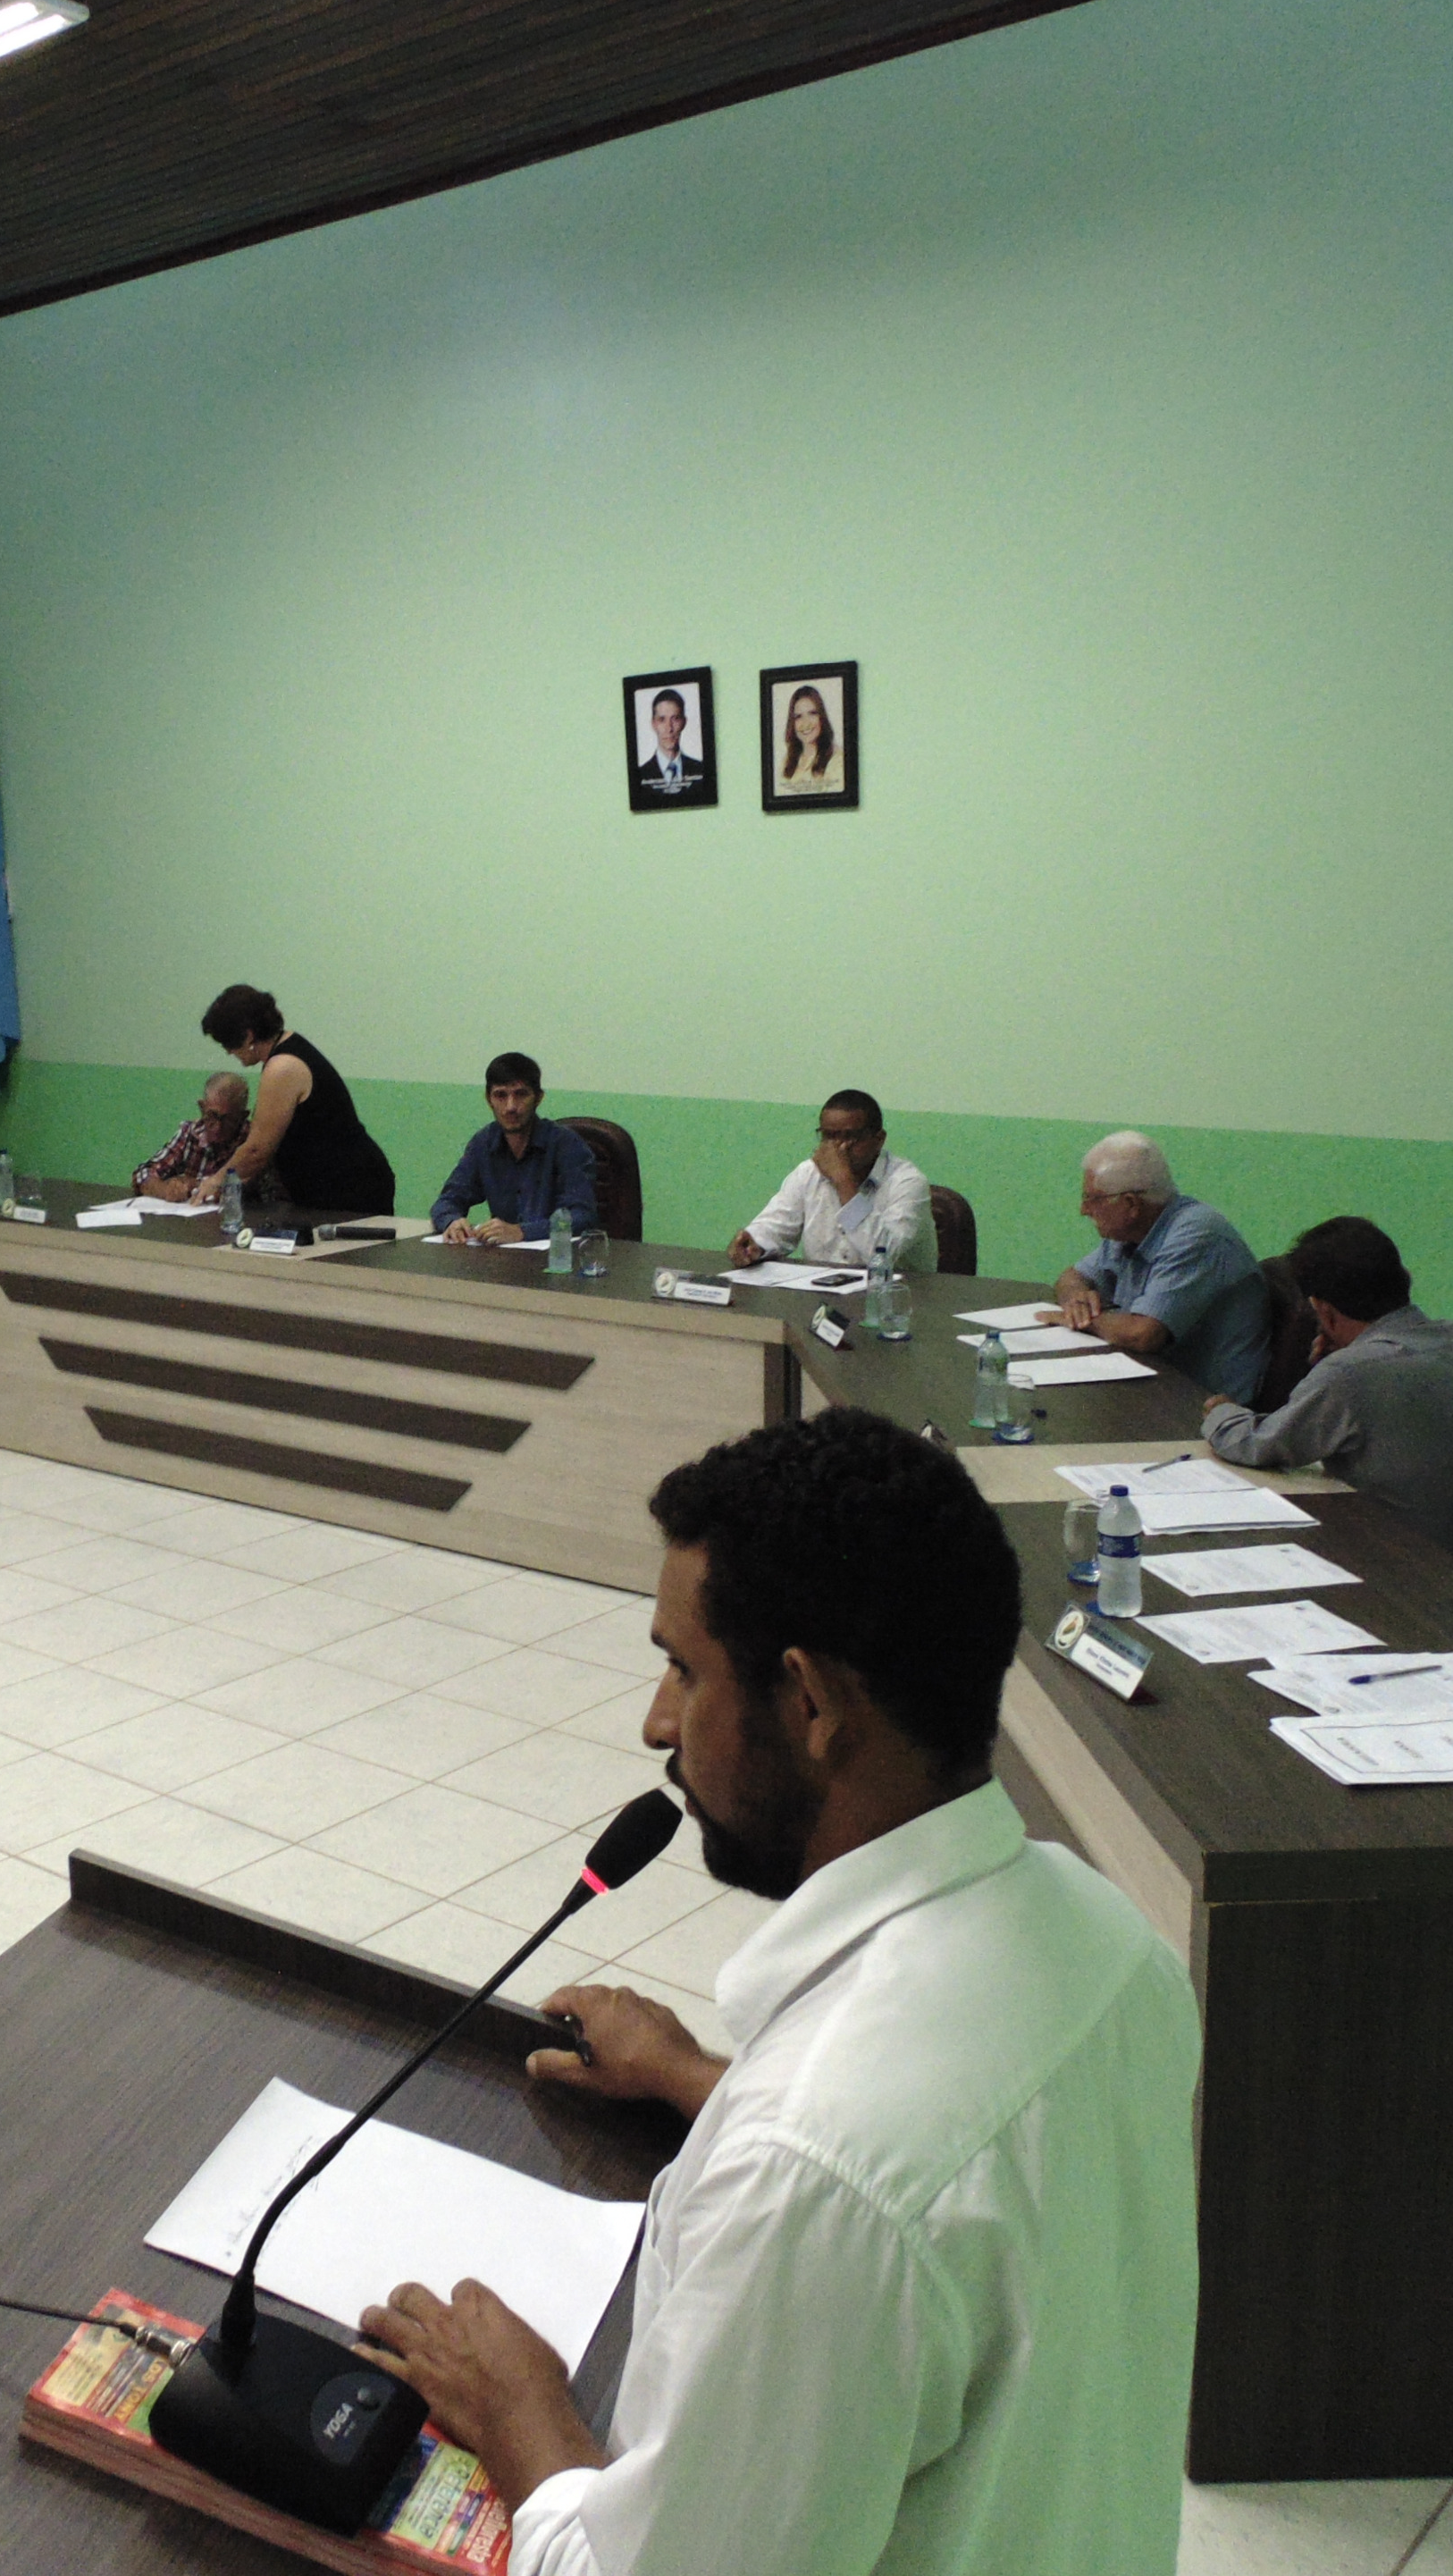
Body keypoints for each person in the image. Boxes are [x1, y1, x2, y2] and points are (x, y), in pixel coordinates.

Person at [356, 1406, 1199, 2575]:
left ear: (809, 1705)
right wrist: (703, 2080)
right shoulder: (1110, 1944)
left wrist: (524, 2419)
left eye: (682, 1669)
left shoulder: (811, 2176)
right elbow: (968, 2191)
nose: (656, 1722)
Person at [1201, 1216, 1453, 1585]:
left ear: (1324, 1311)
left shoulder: (1351, 1372)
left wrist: (1222, 1412)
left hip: (1418, 1575)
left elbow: (1257, 1445)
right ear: (1404, 1280)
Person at [1052, 1131, 1270, 1403]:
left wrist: (1083, 1321)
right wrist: (1075, 1300)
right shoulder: (1129, 1232)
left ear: (1130, 1204)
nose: (1083, 1210)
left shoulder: (1197, 1235)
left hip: (1205, 1406)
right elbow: (1071, 1277)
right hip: (1153, 1384)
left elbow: (1143, 1335)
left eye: (1092, 1199)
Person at [198, 983, 396, 1216]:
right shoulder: (290, 1047)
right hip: (332, 1186)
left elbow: (257, 1150)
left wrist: (215, 1182)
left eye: (227, 1044)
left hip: (349, 1188)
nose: (228, 1052)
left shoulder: (282, 1067)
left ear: (248, 1035)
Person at [726, 1089, 930, 1270]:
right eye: (829, 1136)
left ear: (879, 1140)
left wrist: (844, 1182)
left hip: (895, 1295)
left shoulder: (908, 1183)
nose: (839, 1148)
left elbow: (882, 1257)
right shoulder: (808, 1173)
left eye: (850, 1137)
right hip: (822, 1294)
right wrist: (753, 1245)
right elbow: (775, 1226)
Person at [431, 1051, 601, 1244]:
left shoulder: (567, 1145)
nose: (510, 1106)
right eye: (500, 1095)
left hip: (557, 1258)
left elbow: (582, 1217)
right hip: (502, 1257)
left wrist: (522, 1232)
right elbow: (447, 1201)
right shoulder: (483, 1143)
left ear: (538, 1098)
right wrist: (452, 1221)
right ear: (489, 1100)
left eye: (521, 1094)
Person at [133, 1072, 250, 1201]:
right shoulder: (190, 1133)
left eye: (228, 1120)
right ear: (202, 1108)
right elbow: (142, 1173)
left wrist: (195, 1184)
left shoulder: (251, 1141)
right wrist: (165, 1190)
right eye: (212, 1115)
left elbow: (249, 1188)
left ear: (242, 1117)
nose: (218, 1127)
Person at [633, 686, 710, 801]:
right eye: (662, 720)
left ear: (684, 722)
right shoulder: (639, 776)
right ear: (653, 724)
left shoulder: (701, 771)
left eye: (675, 719)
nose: (669, 728)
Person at [772, 682, 844, 796]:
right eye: (798, 717)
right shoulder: (787, 762)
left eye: (812, 713)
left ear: (822, 717)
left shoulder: (838, 760)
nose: (806, 723)